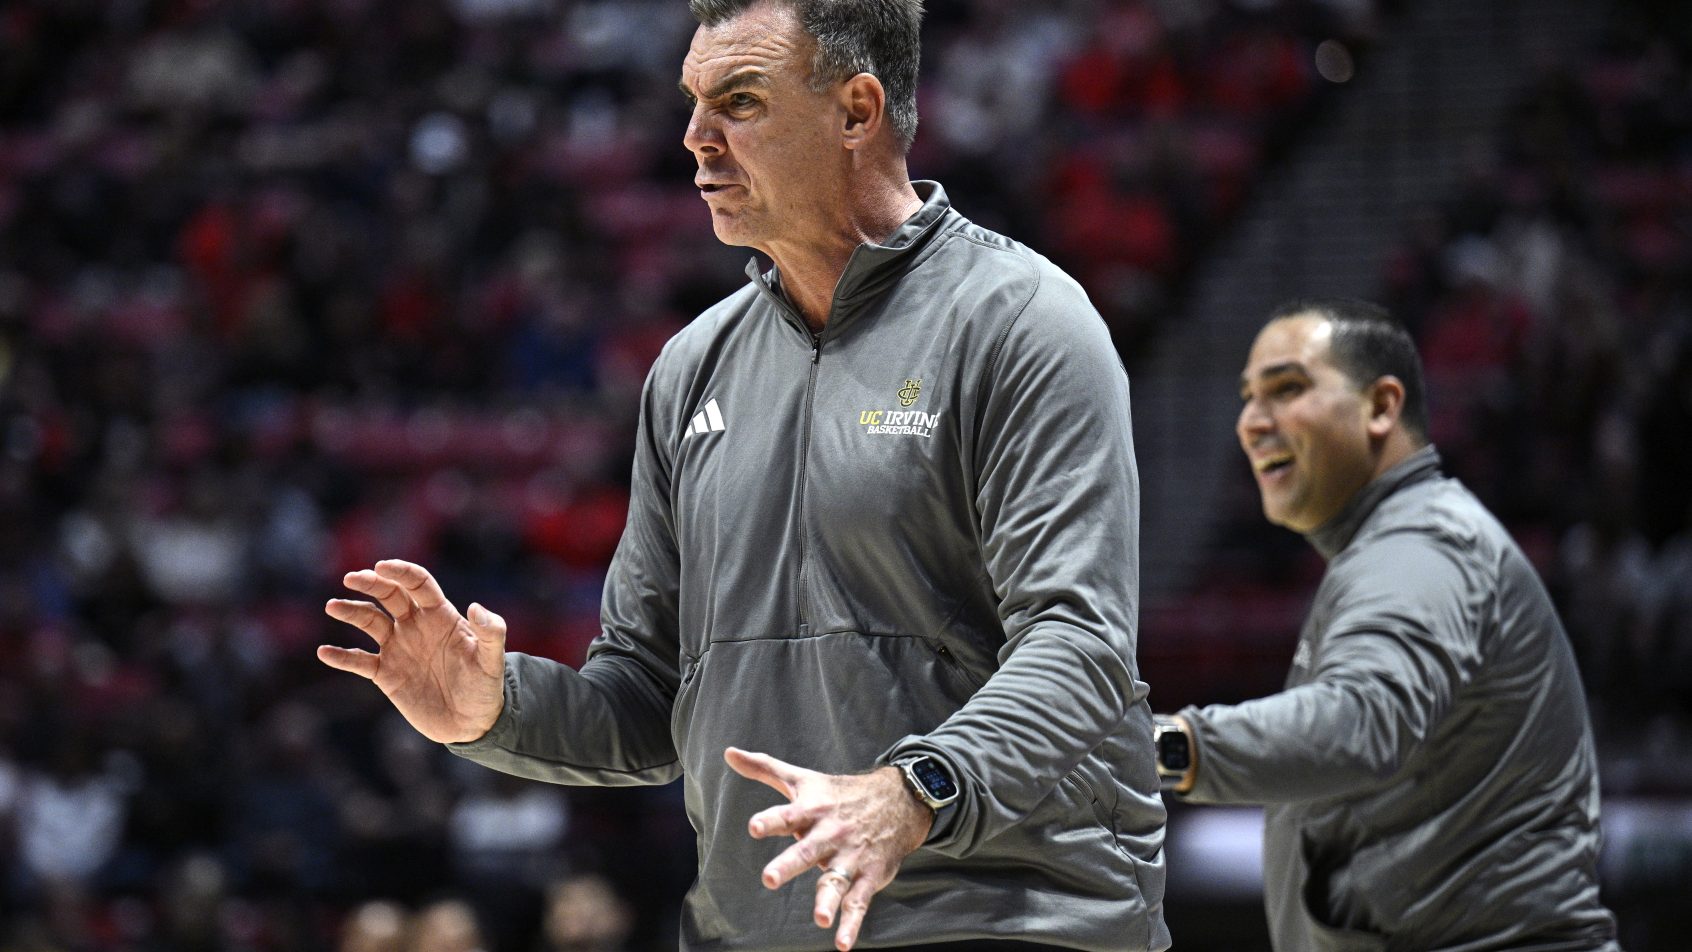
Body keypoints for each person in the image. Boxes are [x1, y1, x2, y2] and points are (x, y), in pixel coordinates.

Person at [318, 1, 1168, 950]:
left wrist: (916, 790)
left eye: (741, 101)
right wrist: (498, 709)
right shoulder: (691, 369)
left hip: (1008, 920)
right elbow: (646, 696)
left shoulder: (1024, 325)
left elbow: (1079, 642)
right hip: (757, 929)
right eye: (692, 102)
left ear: (856, 111)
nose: (695, 138)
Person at [1153, 298, 1619, 951]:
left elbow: (1360, 723)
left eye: (1286, 390)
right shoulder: (1401, 542)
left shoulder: (1422, 545)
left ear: (1380, 408)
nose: (1252, 423)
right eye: (1248, 398)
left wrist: (1166, 748)